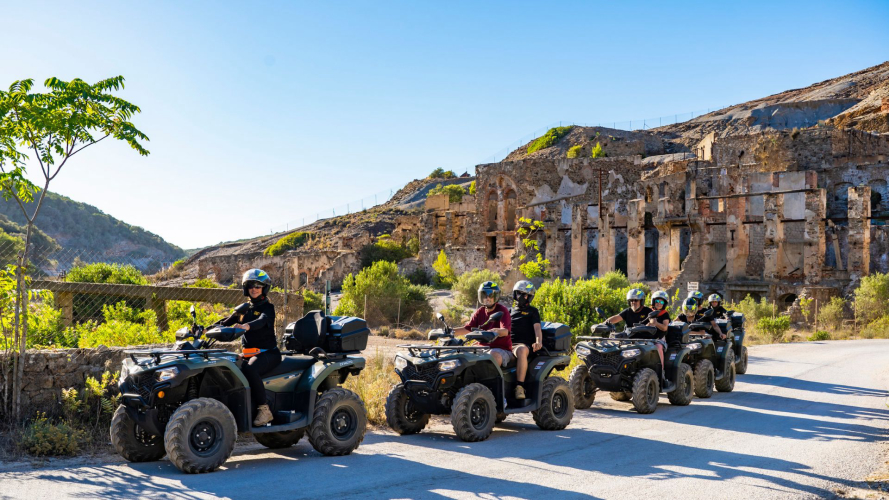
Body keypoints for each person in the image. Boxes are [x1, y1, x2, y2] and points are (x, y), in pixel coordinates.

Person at [216, 269, 281, 426]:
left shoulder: (268, 308)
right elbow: (225, 322)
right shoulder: (244, 309)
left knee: (250, 369)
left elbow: (262, 321)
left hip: (268, 353)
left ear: (264, 289)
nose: (254, 289)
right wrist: (205, 329)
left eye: (258, 286)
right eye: (251, 286)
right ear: (246, 288)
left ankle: (264, 410)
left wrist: (246, 326)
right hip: (249, 353)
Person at [453, 281, 513, 369]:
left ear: (496, 297)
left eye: (491, 296)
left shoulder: (502, 310)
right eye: (484, 295)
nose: (487, 298)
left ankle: (491, 382)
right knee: (459, 354)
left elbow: (505, 331)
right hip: (481, 348)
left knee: (492, 356)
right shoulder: (480, 311)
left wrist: (492, 332)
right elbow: (468, 328)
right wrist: (449, 331)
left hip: (501, 349)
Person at [509, 280, 543, 400]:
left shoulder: (533, 311)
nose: (525, 297)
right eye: (522, 294)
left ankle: (519, 387)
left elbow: (537, 328)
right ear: (515, 294)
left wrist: (538, 341)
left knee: (522, 350)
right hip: (509, 345)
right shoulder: (510, 311)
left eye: (528, 295)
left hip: (524, 345)